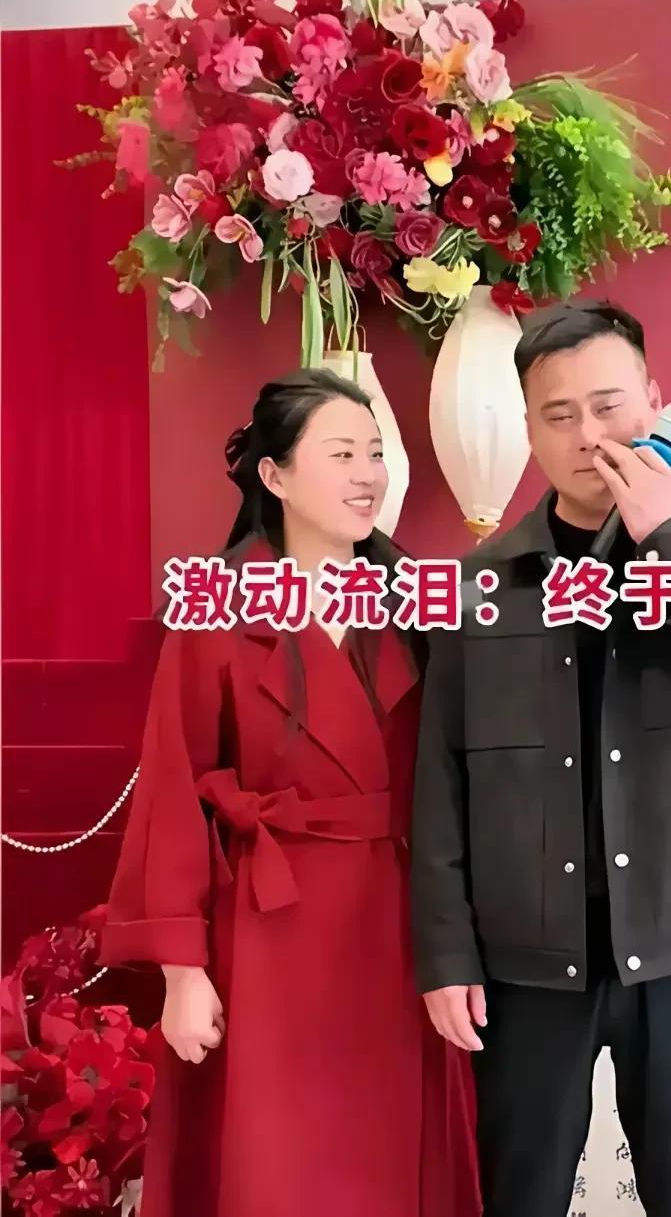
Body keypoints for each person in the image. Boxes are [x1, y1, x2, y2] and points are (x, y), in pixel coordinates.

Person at [410, 301, 671, 1217]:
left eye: (608, 406)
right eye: (559, 415)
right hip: (525, 959)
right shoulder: (478, 586)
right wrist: (445, 954)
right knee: (520, 1193)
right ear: (529, 431)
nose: (588, 436)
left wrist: (669, 538)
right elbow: (440, 784)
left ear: (655, 404)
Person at [100, 370, 480, 1217]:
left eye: (375, 453)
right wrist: (184, 972)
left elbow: (455, 780)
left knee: (387, 1161)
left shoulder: (416, 603)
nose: (367, 475)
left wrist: (460, 943)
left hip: (397, 926)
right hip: (269, 931)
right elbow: (174, 785)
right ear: (273, 475)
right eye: (342, 454)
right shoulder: (216, 608)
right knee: (278, 1170)